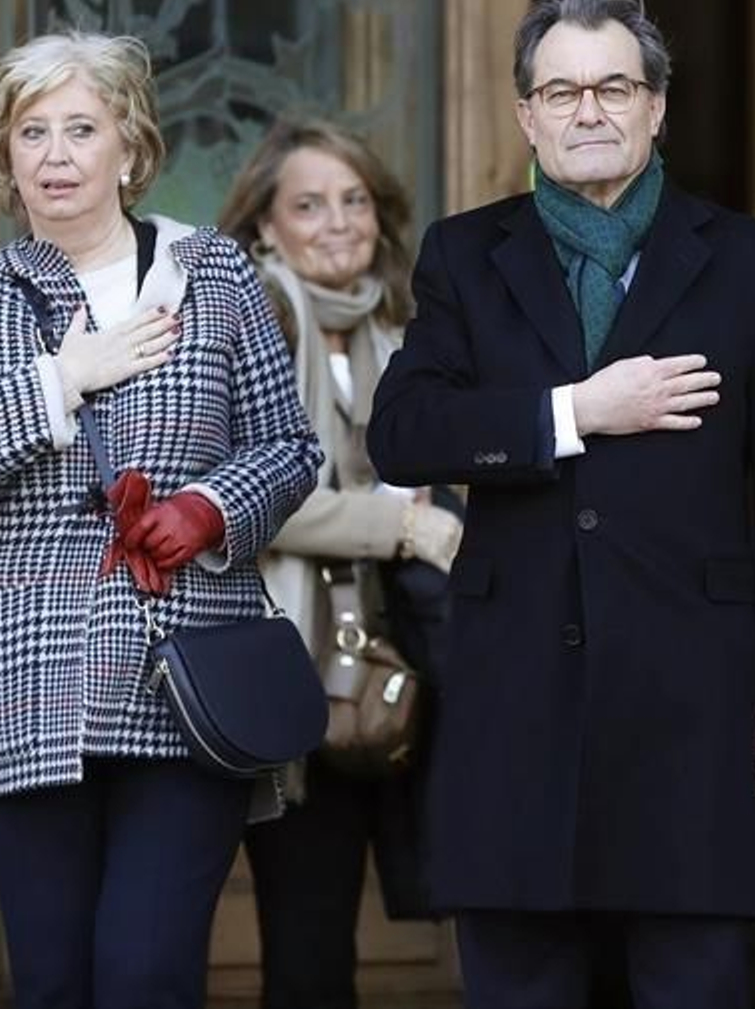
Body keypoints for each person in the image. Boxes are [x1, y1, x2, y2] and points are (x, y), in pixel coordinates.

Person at [366, 0, 755, 1009]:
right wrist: (573, 412)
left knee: (690, 984)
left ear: (655, 107)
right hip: (514, 699)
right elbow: (403, 435)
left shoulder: (751, 261)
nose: (589, 111)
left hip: (692, 701)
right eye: (562, 92)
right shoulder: (464, 254)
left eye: (614, 88)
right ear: (526, 115)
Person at [0, 32, 321, 1009]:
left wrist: (209, 508)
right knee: (53, 983)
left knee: (145, 974)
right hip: (27, 686)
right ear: (5, 159)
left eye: (80, 129)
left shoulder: (214, 276)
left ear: (129, 147)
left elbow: (290, 448)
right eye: (30, 132)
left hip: (184, 680)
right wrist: (59, 380)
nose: (55, 154)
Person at [218, 116, 463, 1009]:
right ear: (265, 224)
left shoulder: (401, 331)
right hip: (288, 672)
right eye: (309, 205)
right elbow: (256, 498)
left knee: (427, 896)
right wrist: (403, 527)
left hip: (396, 667)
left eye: (354, 201)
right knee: (308, 937)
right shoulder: (246, 326)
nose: (338, 223)